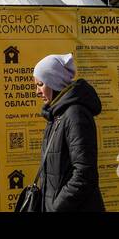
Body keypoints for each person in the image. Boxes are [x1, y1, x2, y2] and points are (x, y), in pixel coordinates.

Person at [32, 53, 105, 212]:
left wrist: (57, 207)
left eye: (40, 84)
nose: (37, 91)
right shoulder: (57, 115)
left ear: (54, 82)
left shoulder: (75, 115)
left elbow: (85, 174)